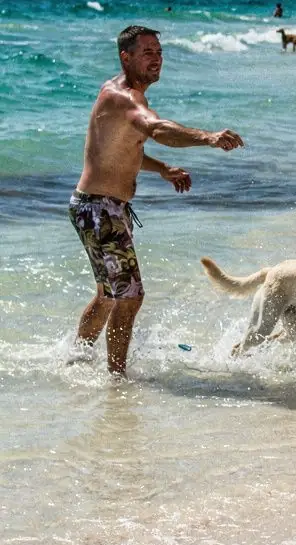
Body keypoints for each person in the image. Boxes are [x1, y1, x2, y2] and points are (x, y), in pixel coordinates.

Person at [69, 25, 243, 375]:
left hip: (97, 207)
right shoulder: (125, 98)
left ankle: (76, 359)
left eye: (159, 52)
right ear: (126, 57)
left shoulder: (119, 94)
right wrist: (208, 138)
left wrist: (162, 169)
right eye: (147, 52)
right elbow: (157, 129)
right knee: (129, 296)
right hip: (100, 210)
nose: (156, 59)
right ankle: (116, 379)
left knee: (109, 294)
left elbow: (120, 151)